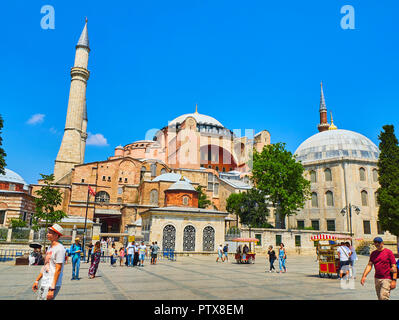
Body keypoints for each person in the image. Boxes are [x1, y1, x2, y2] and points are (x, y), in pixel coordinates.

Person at [32, 224, 66, 300]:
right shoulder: (50, 248)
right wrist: (37, 280)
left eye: (50, 232)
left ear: (56, 235)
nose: (47, 234)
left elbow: (58, 269)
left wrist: (52, 288)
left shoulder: (60, 249)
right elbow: (46, 265)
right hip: (45, 281)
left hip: (52, 284)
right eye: (48, 232)